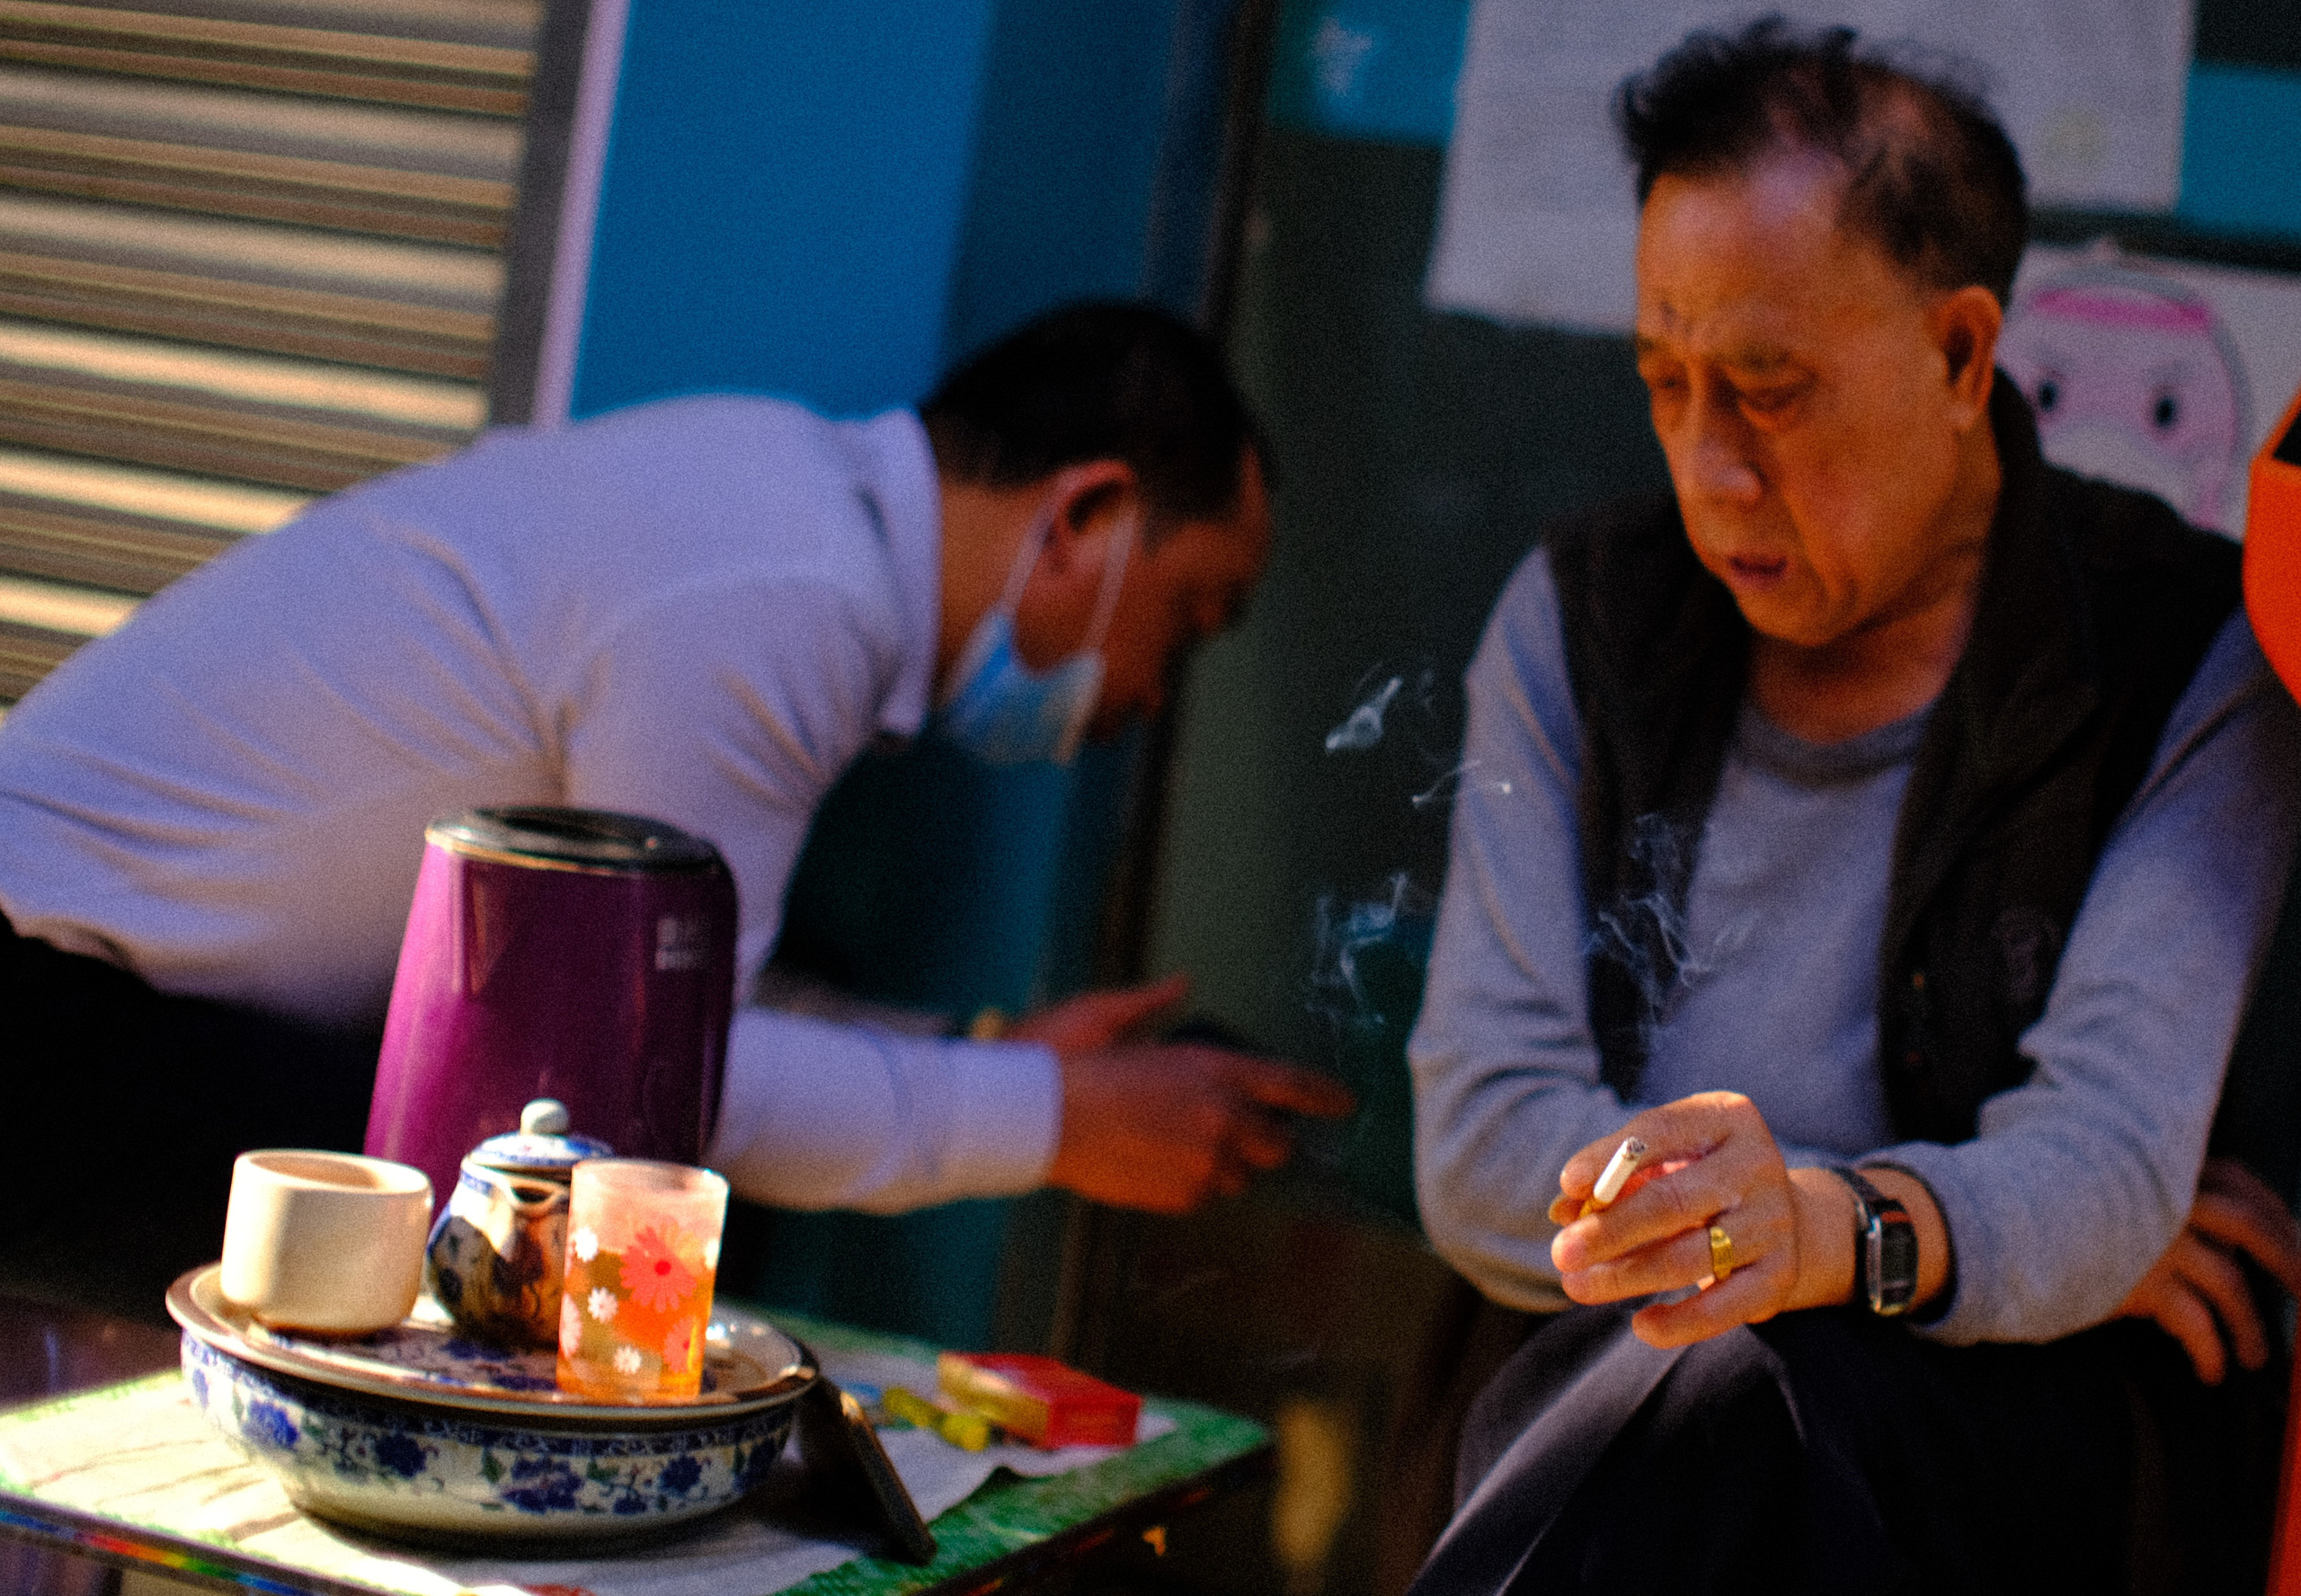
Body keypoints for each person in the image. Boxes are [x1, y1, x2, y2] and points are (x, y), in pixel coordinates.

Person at [1406, 22, 2301, 1594]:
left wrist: (1839, 1234)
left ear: (1962, 356)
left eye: (1770, 388)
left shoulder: (2180, 656)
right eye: (1666, 381)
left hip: (1959, 1468)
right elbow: (1482, 1146)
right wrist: (1942, 1228)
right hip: (1592, 1404)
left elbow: (2107, 1154)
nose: (1710, 467)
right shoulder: (1580, 620)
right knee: (1686, 1366)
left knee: (1740, 1377)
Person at [0, 302, 1351, 1306]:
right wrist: (1064, 1123)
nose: (1158, 691)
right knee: (561, 1212)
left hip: (114, 1011)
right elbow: (662, 1090)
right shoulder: (785, 597)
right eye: (1190, 620)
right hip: (58, 1009)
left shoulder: (788, 519)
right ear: (1087, 515)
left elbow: (679, 1016)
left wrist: (1005, 1053)